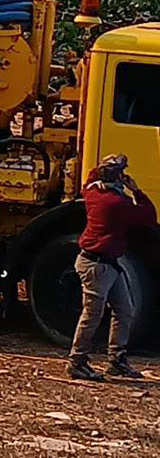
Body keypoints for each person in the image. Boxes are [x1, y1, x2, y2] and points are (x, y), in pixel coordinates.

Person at [67, 154, 156, 381]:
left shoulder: (93, 193)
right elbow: (148, 215)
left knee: (124, 310)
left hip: (100, 263)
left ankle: (117, 359)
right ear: (117, 177)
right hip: (99, 266)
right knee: (92, 315)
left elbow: (88, 180)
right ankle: (77, 361)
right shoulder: (118, 203)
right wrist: (136, 190)